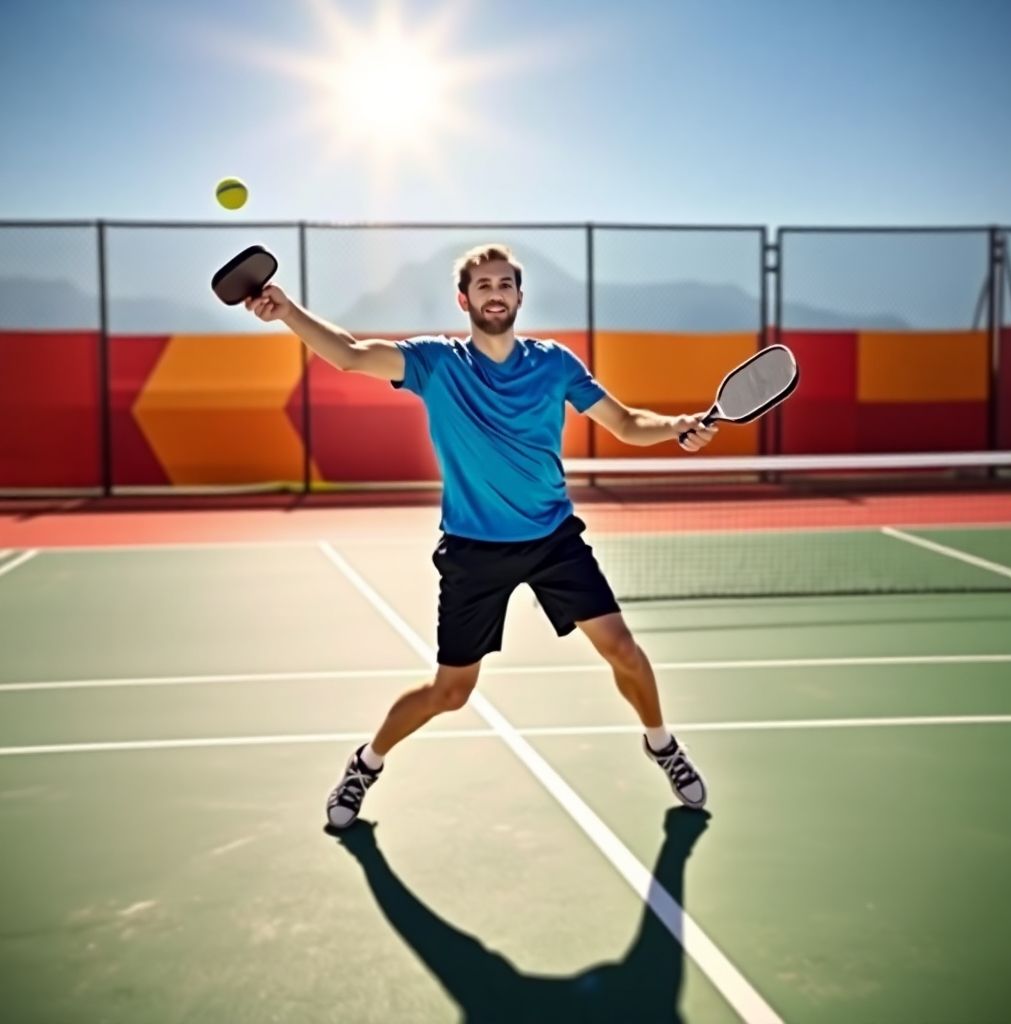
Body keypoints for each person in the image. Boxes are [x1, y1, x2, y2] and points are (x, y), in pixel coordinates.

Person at [244, 243, 718, 830]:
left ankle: (662, 743)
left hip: (553, 539)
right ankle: (367, 764)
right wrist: (287, 311)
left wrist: (676, 427)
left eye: (505, 284)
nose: (496, 293)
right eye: (484, 285)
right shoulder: (436, 363)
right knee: (450, 692)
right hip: (473, 549)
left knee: (622, 648)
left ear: (520, 296)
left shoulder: (555, 365)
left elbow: (624, 422)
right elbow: (350, 355)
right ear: (464, 299)